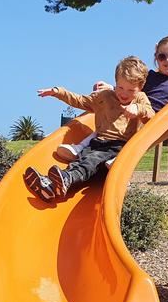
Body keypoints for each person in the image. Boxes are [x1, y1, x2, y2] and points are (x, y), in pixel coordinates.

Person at [24, 56, 154, 202]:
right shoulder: (104, 96)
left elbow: (151, 115)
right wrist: (58, 92)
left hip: (117, 149)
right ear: (115, 82)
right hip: (97, 143)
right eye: (120, 87)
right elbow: (80, 101)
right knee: (80, 162)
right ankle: (52, 187)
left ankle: (64, 180)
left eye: (131, 90)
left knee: (90, 162)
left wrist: (138, 109)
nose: (124, 93)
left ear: (140, 87)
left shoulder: (140, 99)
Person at [56, 34, 168, 165]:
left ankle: (119, 159)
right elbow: (130, 87)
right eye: (162, 56)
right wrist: (111, 88)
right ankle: (79, 148)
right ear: (156, 57)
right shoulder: (150, 76)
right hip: (129, 110)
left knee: (132, 134)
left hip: (149, 119)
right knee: (108, 126)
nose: (167, 60)